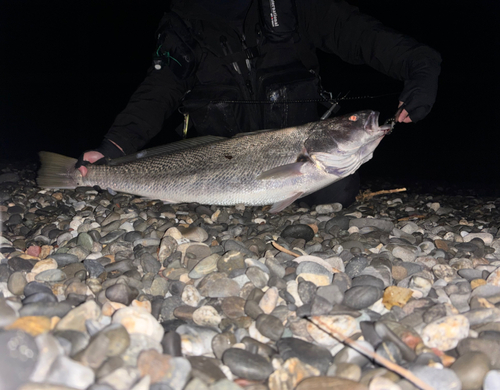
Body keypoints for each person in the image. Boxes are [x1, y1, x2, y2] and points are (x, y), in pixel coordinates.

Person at [76, 0, 441, 207]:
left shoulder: (295, 6)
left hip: (295, 150)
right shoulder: (183, 22)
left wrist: (420, 69)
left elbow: (367, 38)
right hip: (211, 163)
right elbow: (160, 89)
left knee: (337, 191)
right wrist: (112, 147)